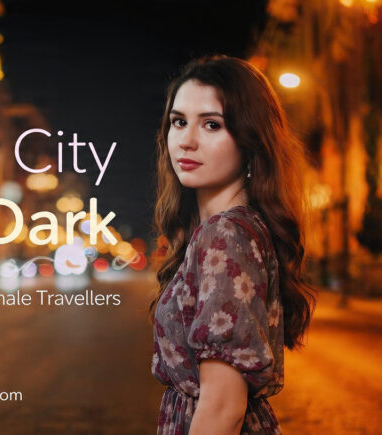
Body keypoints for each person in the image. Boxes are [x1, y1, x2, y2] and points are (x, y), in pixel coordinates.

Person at [150, 55, 317, 435]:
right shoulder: (235, 229)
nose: (186, 140)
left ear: (250, 138)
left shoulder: (225, 236)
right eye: (178, 122)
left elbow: (223, 408)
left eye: (212, 124)